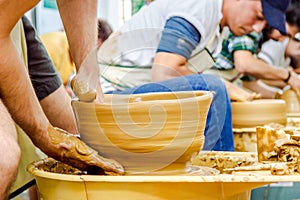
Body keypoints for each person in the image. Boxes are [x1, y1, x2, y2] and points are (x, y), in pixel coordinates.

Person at [97, 0, 291, 151]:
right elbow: (163, 73)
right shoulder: (201, 5)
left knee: (212, 90)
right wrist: (226, 87)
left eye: (264, 24)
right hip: (109, 93)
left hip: (137, 93)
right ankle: (218, 184)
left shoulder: (216, 29)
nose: (257, 28)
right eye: (258, 16)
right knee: (213, 89)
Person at [0, 1, 122, 199]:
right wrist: (46, 137)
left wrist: (90, 85)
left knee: (86, 136)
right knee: (4, 159)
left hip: (10, 22)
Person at [212, 1, 300, 99]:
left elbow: (249, 83)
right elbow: (244, 64)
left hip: (220, 87)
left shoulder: (260, 39)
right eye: (285, 33)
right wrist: (287, 76)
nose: (283, 40)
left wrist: (279, 97)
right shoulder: (248, 26)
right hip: (208, 81)